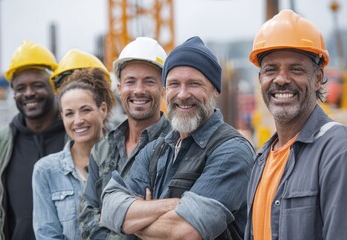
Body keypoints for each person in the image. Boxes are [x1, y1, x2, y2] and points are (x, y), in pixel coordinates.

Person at [100, 36, 255, 240]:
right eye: (174, 84)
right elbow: (110, 208)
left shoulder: (232, 151)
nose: (182, 94)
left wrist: (137, 217)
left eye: (194, 84)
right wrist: (173, 206)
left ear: (215, 89)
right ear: (166, 91)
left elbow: (183, 232)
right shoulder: (155, 149)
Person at [245, 9, 347, 240]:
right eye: (271, 69)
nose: (281, 79)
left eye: (296, 69)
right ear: (261, 78)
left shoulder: (337, 151)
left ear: (318, 78)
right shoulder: (261, 160)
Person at [79, 37, 172, 239]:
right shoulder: (102, 149)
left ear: (163, 89)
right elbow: (86, 220)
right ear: (120, 87)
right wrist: (137, 220)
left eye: (149, 81)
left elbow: (174, 222)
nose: (139, 90)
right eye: (130, 81)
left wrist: (110, 216)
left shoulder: (178, 146)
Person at [0, 40, 66, 240]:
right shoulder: (4, 139)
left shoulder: (74, 136)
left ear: (54, 89)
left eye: (37, 85)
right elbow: (0, 208)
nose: (29, 93)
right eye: (21, 88)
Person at [32, 67, 116, 239]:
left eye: (85, 110)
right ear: (62, 116)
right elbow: (47, 235)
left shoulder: (125, 160)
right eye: (69, 113)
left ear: (103, 109)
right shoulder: (46, 171)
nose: (78, 120)